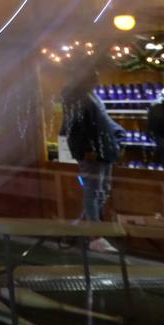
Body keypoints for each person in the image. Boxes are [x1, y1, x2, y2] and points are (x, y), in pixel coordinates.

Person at [60, 62, 126, 252]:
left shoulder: (91, 96)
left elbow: (104, 121)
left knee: (101, 190)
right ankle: (94, 235)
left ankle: (79, 228)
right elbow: (75, 127)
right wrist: (86, 148)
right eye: (93, 76)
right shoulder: (75, 98)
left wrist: (118, 135)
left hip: (104, 149)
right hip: (94, 152)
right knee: (93, 190)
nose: (97, 79)